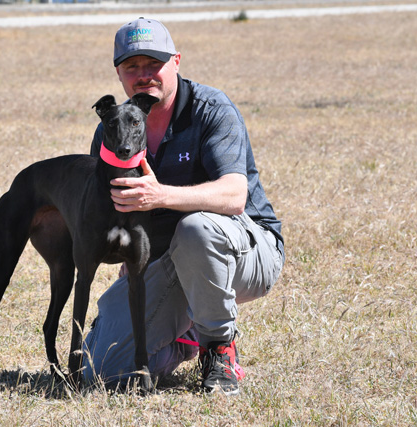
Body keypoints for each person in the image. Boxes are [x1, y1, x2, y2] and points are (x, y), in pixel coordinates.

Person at [82, 17, 284, 395]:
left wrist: (160, 195)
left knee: (197, 229)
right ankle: (185, 337)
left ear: (176, 61)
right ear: (119, 74)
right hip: (167, 261)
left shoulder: (211, 108)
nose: (144, 75)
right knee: (100, 370)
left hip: (247, 249)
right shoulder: (112, 128)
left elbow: (234, 196)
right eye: (132, 66)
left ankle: (218, 347)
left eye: (153, 64)